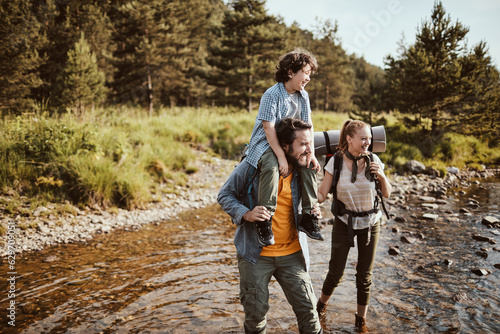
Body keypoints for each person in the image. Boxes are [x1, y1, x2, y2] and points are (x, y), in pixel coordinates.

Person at [218, 118, 323, 334]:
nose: (309, 149)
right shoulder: (253, 166)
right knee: (256, 316)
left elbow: (306, 204)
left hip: (293, 253)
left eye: (310, 143)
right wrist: (246, 213)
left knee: (309, 312)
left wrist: (314, 211)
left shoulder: (305, 169)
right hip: (256, 254)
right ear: (285, 146)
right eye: (302, 144)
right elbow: (225, 195)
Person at [315, 120, 391, 333]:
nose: (367, 142)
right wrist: (313, 200)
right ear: (349, 139)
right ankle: (320, 307)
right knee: (336, 272)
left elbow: (387, 193)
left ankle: (360, 322)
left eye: (369, 138)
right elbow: (322, 193)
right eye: (363, 138)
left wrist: (382, 175)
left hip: (370, 223)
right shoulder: (335, 162)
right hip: (343, 222)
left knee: (364, 275)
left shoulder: (374, 159)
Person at [244, 48, 324, 247]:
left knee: (309, 164)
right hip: (265, 143)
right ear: (290, 71)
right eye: (306, 73)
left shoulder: (303, 96)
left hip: (292, 142)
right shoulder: (272, 94)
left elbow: (308, 125)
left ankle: (308, 215)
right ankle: (265, 219)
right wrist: (280, 155)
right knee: (271, 165)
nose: (308, 79)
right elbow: (268, 127)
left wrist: (311, 153)